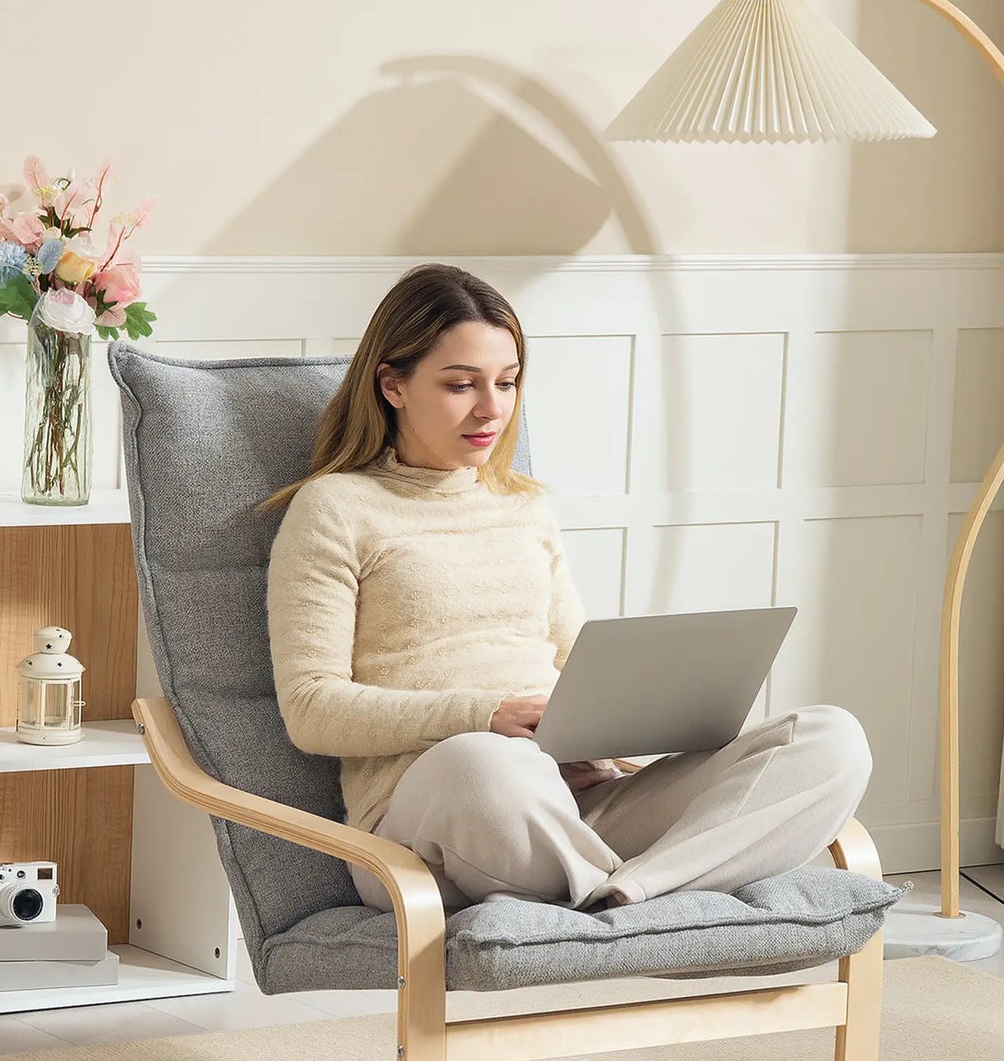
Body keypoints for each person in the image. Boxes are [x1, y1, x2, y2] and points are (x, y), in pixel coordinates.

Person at [263, 263, 873, 915]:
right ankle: (646, 886)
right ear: (392, 384)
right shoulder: (334, 507)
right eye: (460, 384)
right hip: (440, 813)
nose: (491, 408)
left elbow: (571, 662)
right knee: (488, 763)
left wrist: (602, 726)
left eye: (507, 382)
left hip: (571, 803)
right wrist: (487, 715)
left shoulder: (525, 507)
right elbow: (310, 708)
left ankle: (628, 892)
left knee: (830, 738)